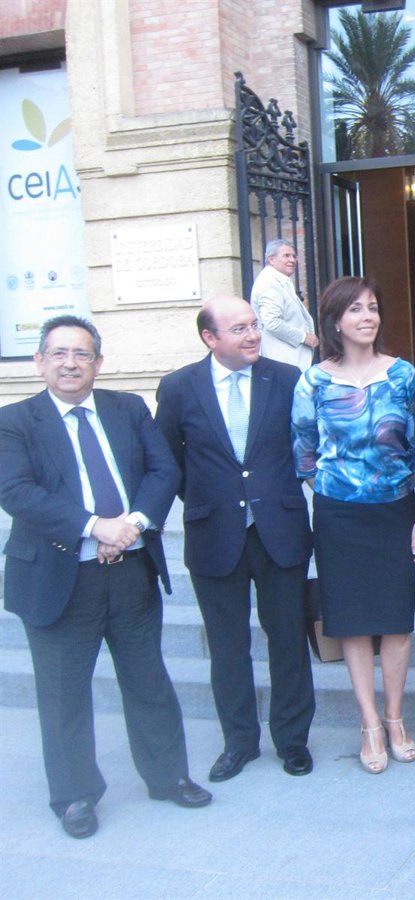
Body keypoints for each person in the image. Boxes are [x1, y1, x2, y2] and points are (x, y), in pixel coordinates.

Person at [0, 315, 210, 839]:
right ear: (39, 361)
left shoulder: (128, 408)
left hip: (130, 571)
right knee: (63, 693)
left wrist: (132, 524)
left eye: (82, 354)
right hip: (60, 578)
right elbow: (16, 491)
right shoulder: (15, 421)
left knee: (148, 679)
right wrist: (96, 527)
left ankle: (168, 776)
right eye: (59, 353)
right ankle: (74, 796)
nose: (70, 363)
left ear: (99, 362)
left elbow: (164, 470)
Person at [156, 295, 316, 783]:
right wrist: (210, 500)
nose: (253, 335)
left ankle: (292, 740)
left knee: (288, 639)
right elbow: (167, 462)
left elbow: (306, 446)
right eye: (240, 328)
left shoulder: (287, 379)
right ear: (210, 338)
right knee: (227, 646)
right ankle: (239, 742)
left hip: (280, 530)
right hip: (214, 533)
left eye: (254, 325)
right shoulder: (179, 387)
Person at [291, 277, 415, 774]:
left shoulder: (403, 375)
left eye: (372, 308)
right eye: (355, 310)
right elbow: (304, 452)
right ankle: (369, 723)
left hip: (396, 512)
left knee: (396, 621)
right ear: (334, 321)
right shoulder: (313, 382)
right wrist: (336, 492)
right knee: (350, 622)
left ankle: (395, 718)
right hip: (339, 517)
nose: (367, 317)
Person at [250, 239, 319, 368]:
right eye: (286, 256)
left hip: (289, 358)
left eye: (294, 256)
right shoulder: (269, 283)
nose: (292, 260)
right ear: (271, 259)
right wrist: (303, 337)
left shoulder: (279, 280)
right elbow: (272, 323)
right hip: (282, 360)